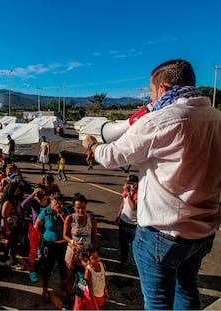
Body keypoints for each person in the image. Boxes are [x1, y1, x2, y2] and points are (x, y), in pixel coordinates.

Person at [82, 59, 221, 310]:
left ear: (164, 87)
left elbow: (113, 156)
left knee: (158, 302)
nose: (151, 98)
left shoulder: (161, 120)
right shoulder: (217, 118)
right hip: (203, 231)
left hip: (162, 233)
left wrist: (92, 145)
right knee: (187, 290)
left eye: (152, 91)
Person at [35, 192, 71, 303]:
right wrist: (45, 235)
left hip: (62, 244)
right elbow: (37, 226)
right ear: (51, 200)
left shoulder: (65, 210)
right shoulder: (45, 212)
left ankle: (64, 282)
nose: (58, 205)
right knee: (47, 267)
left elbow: (70, 225)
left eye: (60, 203)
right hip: (49, 245)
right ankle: (45, 289)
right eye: (56, 202)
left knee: (62, 265)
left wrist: (62, 214)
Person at [63, 193, 98, 307]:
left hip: (86, 255)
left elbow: (94, 239)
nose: (80, 210)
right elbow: (65, 235)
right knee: (71, 277)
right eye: (78, 207)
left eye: (83, 207)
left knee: (85, 279)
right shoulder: (69, 218)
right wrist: (73, 242)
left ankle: (84, 301)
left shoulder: (92, 219)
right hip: (73, 253)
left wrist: (94, 254)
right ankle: (68, 298)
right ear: (73, 207)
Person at [21, 184, 48, 283]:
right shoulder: (32, 200)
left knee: (45, 250)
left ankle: (42, 266)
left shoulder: (49, 201)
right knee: (33, 250)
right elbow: (23, 205)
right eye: (38, 192)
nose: (40, 195)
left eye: (42, 192)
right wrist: (33, 194)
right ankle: (32, 271)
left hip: (46, 229)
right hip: (34, 229)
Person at [74, 245, 109, 310]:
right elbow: (91, 289)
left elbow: (103, 279)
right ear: (87, 259)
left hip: (100, 294)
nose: (97, 259)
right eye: (94, 258)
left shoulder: (102, 265)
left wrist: (105, 290)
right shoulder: (88, 271)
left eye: (98, 257)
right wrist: (95, 305)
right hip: (92, 296)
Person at [114, 175, 138, 270]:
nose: (129, 185)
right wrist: (118, 215)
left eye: (131, 183)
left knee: (134, 246)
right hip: (124, 222)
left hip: (134, 224)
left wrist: (129, 192)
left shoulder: (138, 193)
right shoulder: (126, 192)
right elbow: (123, 203)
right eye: (128, 183)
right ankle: (123, 261)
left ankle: (136, 264)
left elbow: (133, 207)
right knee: (123, 244)